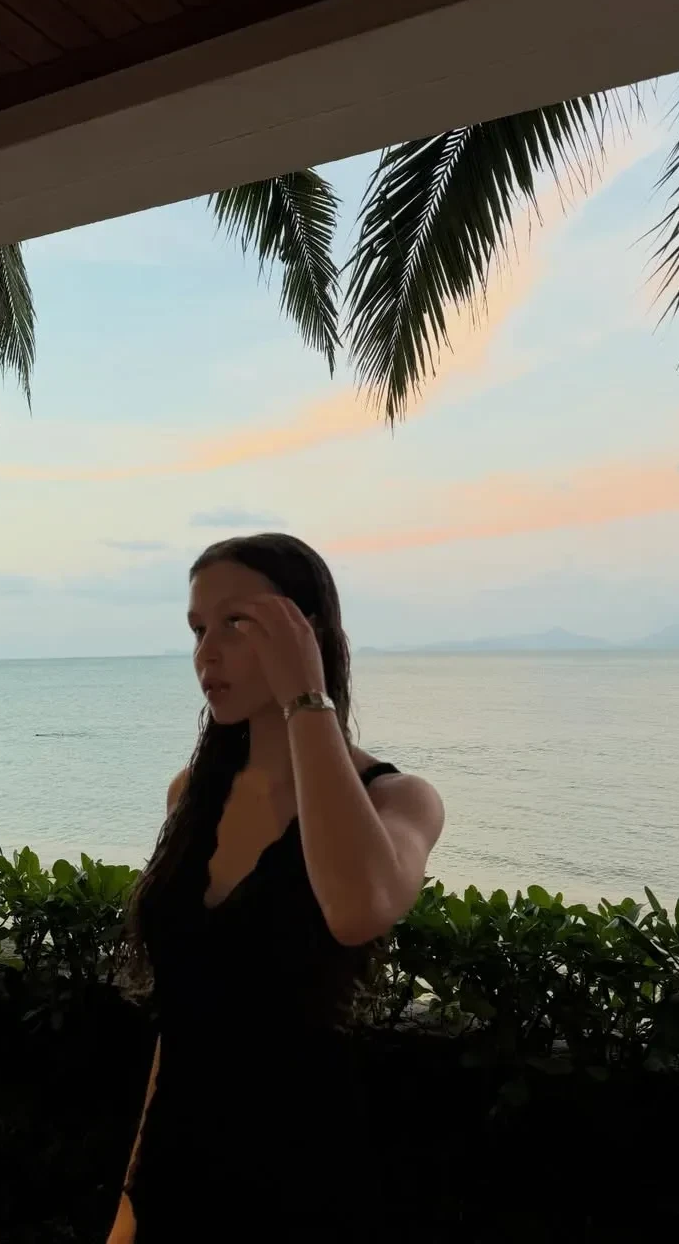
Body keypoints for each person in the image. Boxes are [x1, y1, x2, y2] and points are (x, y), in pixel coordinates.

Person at [106, 533, 445, 1243]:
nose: (207, 653)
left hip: (304, 1184)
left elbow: (356, 910)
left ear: (305, 632)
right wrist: (128, 1205)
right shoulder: (191, 797)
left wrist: (305, 697)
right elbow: (182, 1023)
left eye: (236, 622)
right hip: (176, 1177)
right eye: (198, 629)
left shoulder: (398, 800)